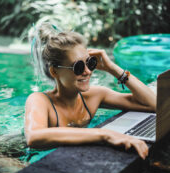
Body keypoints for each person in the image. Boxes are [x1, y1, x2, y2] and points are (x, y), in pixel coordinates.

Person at [24, 22, 156, 160]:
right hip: (16, 156)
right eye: (78, 66)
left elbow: (152, 104)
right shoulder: (39, 100)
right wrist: (105, 134)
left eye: (90, 63)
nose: (87, 72)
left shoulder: (95, 96)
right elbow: (34, 137)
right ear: (54, 71)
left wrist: (112, 68)